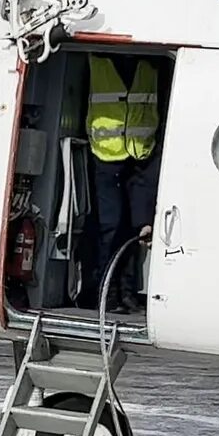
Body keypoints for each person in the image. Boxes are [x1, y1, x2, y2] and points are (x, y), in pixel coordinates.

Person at [80, 55, 160, 311]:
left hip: (141, 154)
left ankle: (125, 291)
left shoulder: (151, 63)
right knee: (109, 227)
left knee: (135, 230)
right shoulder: (98, 61)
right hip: (106, 154)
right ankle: (104, 291)